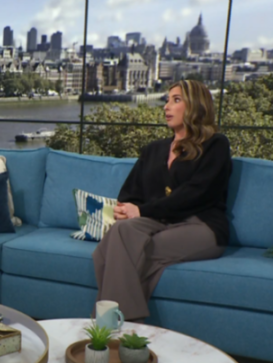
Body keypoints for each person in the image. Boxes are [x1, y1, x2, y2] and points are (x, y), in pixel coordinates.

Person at [93, 79, 232, 322]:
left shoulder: (216, 145)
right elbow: (130, 194)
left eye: (176, 100)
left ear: (196, 107)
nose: (167, 106)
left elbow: (196, 193)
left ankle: (110, 328)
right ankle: (127, 331)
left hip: (202, 224)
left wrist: (142, 210)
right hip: (159, 221)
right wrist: (126, 210)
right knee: (119, 233)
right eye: (167, 100)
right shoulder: (153, 150)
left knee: (116, 251)